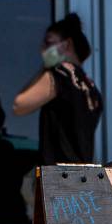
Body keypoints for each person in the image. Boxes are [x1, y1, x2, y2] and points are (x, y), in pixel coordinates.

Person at [11, 12, 103, 164]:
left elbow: (19, 105)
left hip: (58, 176)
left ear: (66, 44)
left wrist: (45, 68)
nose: (42, 49)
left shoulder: (60, 74)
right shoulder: (91, 87)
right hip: (83, 176)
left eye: (48, 43)